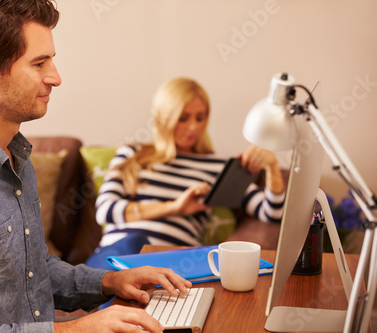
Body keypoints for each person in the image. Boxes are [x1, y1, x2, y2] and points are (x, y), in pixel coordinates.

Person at [0, 1, 192, 332]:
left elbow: (29, 271)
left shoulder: (15, 158)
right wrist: (74, 329)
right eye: (39, 63)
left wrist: (110, 281)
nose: (56, 77)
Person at [86, 77, 286, 270]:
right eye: (183, 118)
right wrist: (175, 207)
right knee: (134, 245)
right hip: (119, 255)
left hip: (175, 262)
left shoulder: (218, 166)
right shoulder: (133, 153)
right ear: (164, 119)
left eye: (200, 118)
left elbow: (273, 213)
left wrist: (272, 167)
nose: (193, 127)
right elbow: (105, 210)